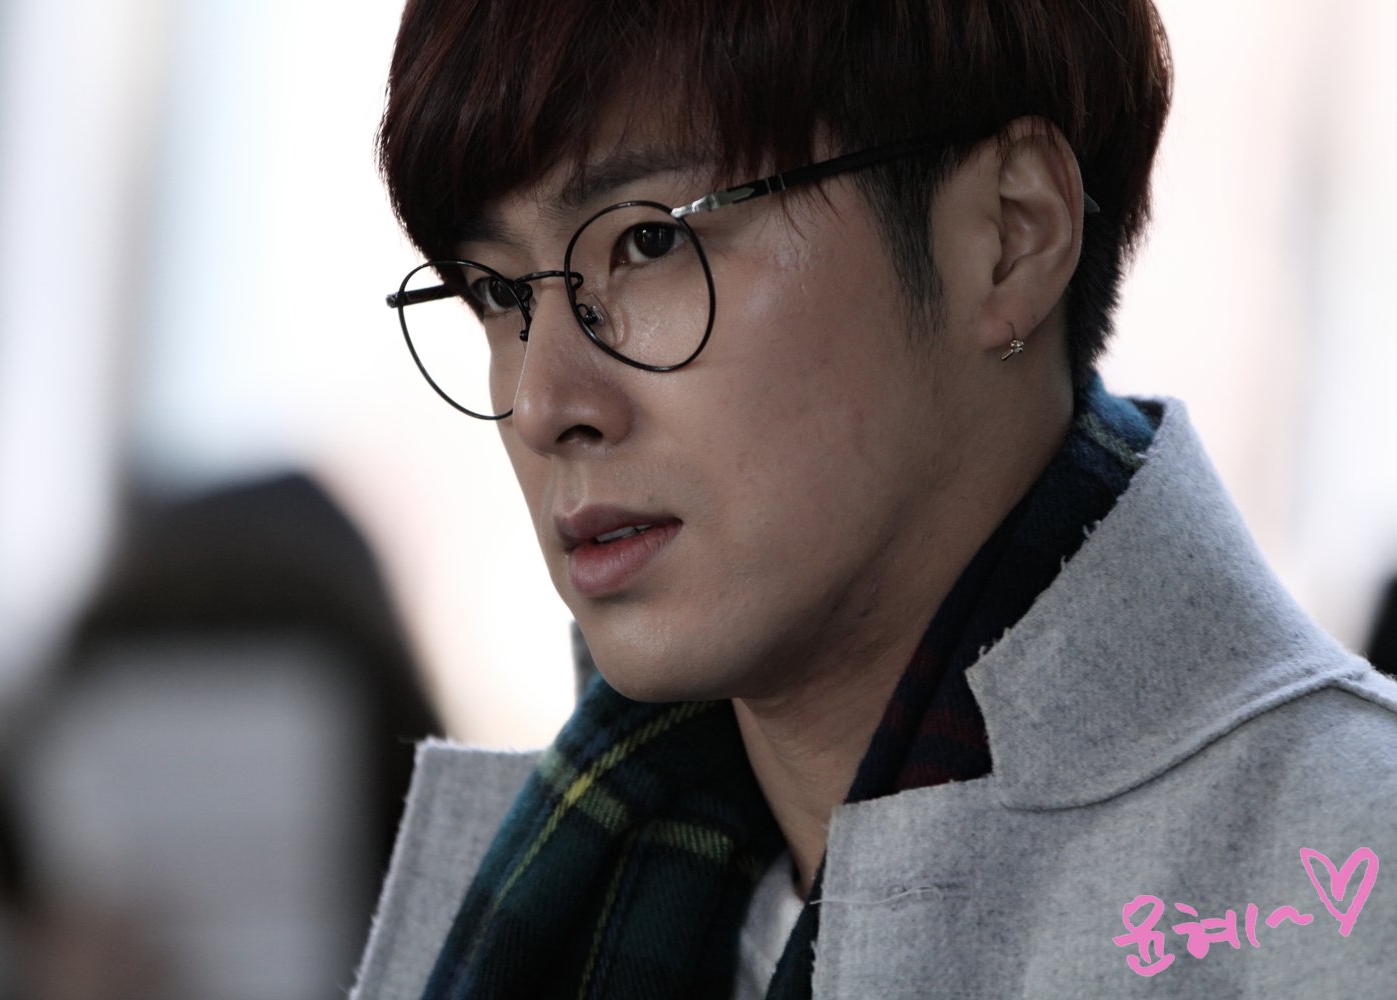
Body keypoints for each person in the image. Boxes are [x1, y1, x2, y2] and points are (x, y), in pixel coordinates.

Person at [352, 1, 1397, 996]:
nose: (543, 403)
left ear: (1010, 235)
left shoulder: (1353, 879)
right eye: (497, 291)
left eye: (651, 241)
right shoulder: (559, 882)